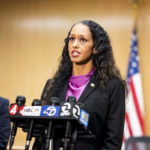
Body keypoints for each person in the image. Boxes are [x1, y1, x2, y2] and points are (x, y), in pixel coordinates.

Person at [33, 20, 125, 150]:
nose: (75, 45)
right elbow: (40, 136)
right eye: (71, 39)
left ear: (96, 47)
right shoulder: (52, 84)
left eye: (83, 40)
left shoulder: (113, 86)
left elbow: (112, 143)